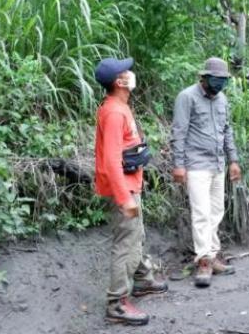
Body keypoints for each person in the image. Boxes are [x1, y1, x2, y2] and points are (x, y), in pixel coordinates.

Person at [94, 57, 168, 325]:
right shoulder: (114, 112)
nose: (131, 73)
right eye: (126, 71)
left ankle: (142, 280)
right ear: (119, 81)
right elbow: (111, 160)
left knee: (136, 237)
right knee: (126, 245)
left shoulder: (119, 107)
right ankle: (117, 303)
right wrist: (124, 197)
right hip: (122, 190)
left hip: (128, 185)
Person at [170, 57, 242, 288]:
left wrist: (234, 160)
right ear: (203, 77)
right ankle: (203, 260)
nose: (220, 84)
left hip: (218, 164)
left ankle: (212, 255)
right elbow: (179, 132)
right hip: (196, 163)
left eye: (223, 80)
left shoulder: (222, 99)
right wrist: (179, 165)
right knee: (201, 212)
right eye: (216, 79)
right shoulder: (187, 97)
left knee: (216, 211)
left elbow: (227, 130)